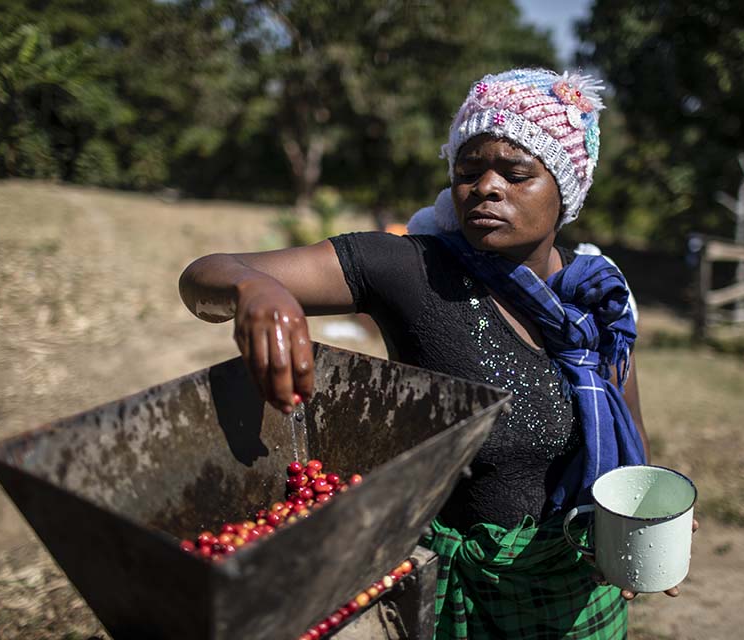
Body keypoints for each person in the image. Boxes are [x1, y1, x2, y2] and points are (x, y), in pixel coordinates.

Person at [180, 68, 692, 639]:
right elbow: (206, 274)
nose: (486, 188)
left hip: (579, 599)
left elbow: (632, 437)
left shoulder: (599, 298)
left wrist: (649, 520)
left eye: (516, 173)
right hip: (453, 602)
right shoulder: (412, 271)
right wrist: (256, 291)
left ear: (565, 187)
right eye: (468, 172)